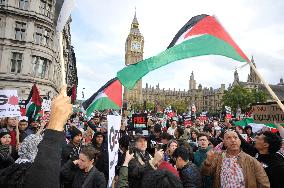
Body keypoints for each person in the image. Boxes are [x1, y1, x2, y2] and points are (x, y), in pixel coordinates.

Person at [201, 130, 270, 188]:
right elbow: (206, 173)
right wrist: (208, 162)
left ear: (240, 141)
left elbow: (264, 184)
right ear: (224, 143)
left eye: (235, 137)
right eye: (228, 138)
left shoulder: (251, 161)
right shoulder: (217, 157)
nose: (233, 140)